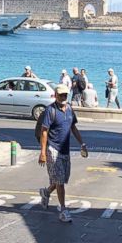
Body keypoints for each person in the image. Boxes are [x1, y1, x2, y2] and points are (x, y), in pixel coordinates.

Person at [38, 83, 87, 223]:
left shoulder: (70, 110)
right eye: (61, 95)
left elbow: (73, 127)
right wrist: (42, 152)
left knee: (62, 179)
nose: (64, 97)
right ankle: (63, 210)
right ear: (56, 95)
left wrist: (82, 143)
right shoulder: (50, 111)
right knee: (60, 182)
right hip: (53, 149)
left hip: (65, 150)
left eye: (65, 94)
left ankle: (46, 192)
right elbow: (44, 131)